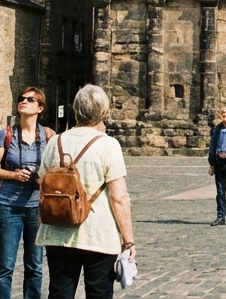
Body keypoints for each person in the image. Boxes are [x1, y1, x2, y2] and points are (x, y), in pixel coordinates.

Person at [37, 85, 135, 299]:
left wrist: (41, 224)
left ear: (75, 110)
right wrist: (128, 241)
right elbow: (119, 198)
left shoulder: (56, 141)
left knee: (60, 292)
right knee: (98, 293)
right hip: (98, 234)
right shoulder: (109, 145)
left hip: (58, 231)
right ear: (103, 113)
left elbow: (43, 184)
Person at [0, 86, 56, 299]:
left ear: (40, 108)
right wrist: (13, 175)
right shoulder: (7, 134)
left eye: (30, 99)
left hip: (37, 208)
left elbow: (57, 171)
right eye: (21, 98)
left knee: (34, 266)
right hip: (9, 207)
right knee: (5, 267)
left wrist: (45, 179)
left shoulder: (49, 136)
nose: (24, 101)